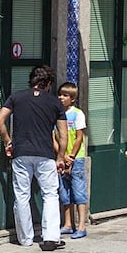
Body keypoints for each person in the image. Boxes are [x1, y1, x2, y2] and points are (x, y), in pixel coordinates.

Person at [0, 63, 67, 250]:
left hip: (21, 153)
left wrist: (7, 142)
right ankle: (51, 237)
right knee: (50, 195)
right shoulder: (54, 102)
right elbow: (63, 134)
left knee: (22, 195)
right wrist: (60, 157)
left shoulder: (16, 97)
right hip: (45, 154)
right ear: (48, 83)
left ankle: (25, 239)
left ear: (32, 81)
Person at [56, 81, 89, 239]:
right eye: (60, 94)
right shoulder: (56, 114)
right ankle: (68, 224)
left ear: (72, 98)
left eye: (65, 95)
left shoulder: (77, 114)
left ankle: (81, 225)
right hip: (61, 159)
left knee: (79, 192)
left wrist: (72, 156)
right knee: (64, 192)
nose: (61, 98)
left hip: (76, 159)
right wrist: (61, 156)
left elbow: (79, 137)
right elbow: (53, 137)